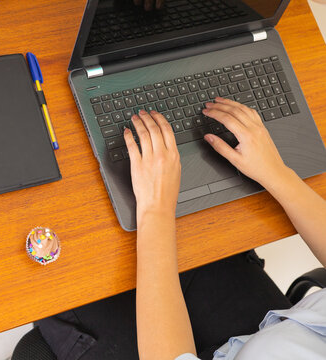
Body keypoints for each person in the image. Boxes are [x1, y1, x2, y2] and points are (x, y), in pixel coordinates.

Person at [34, 98, 326, 360]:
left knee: (62, 278)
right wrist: (277, 173)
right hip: (266, 334)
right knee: (200, 232)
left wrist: (156, 209)